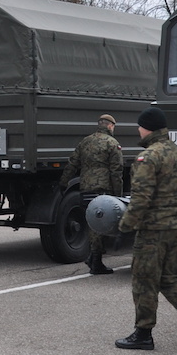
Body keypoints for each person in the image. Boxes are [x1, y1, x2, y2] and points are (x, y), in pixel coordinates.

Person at [115, 106, 177, 351]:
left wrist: (125, 225)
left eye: (139, 127)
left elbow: (140, 197)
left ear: (146, 127)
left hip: (153, 228)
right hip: (175, 225)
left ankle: (143, 334)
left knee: (144, 280)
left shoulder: (148, 157)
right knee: (166, 278)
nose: (138, 131)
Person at [59, 114, 123, 275]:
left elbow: (72, 163)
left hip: (85, 187)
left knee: (92, 223)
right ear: (110, 126)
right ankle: (95, 261)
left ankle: (94, 259)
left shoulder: (85, 141)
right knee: (101, 224)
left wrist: (63, 182)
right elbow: (116, 172)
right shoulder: (112, 143)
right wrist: (118, 195)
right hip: (103, 189)